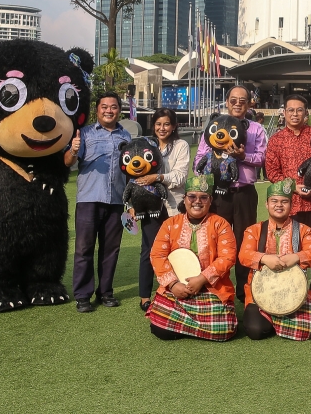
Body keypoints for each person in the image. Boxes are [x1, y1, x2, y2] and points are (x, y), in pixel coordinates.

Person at [193, 84, 267, 300]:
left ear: (249, 103)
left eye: (242, 100)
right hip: (218, 193)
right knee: (216, 241)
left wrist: (243, 157)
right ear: (227, 102)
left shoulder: (256, 129)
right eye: (233, 100)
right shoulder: (215, 126)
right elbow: (198, 158)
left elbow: (262, 158)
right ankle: (217, 288)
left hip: (245, 192)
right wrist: (214, 160)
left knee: (246, 242)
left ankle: (245, 291)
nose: (237, 104)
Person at [146, 175, 238, 341]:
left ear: (210, 200)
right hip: (177, 288)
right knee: (159, 329)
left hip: (211, 288)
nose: (197, 201)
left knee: (225, 331)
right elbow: (157, 255)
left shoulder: (221, 224)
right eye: (192, 197)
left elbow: (228, 257)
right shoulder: (170, 224)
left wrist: (202, 279)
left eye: (203, 197)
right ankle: (201, 328)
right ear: (184, 198)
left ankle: (183, 326)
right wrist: (173, 284)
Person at [65, 92, 131, 313]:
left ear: (119, 110)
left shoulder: (127, 137)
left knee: (110, 249)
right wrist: (73, 150)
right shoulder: (84, 134)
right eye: (104, 107)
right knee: (84, 248)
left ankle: (105, 292)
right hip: (88, 199)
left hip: (116, 201)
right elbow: (68, 162)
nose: (109, 110)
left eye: (113, 107)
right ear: (97, 110)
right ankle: (83, 295)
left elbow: (131, 170)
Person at [264, 93, 311, 303]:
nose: (295, 114)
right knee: (292, 250)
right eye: (290, 110)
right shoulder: (276, 139)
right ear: (284, 113)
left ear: (306, 113)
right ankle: (294, 291)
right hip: (290, 206)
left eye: (299, 110)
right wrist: (293, 187)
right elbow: (272, 172)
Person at [238, 178, 311, 341]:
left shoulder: (304, 230)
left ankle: (275, 321)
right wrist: (264, 258)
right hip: (259, 295)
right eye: (274, 201)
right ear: (266, 204)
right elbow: (244, 255)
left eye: (284, 201)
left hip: (295, 294)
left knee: (305, 333)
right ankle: (276, 321)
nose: (279, 205)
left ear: (291, 205)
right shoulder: (253, 230)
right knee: (256, 331)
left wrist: (296, 257)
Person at [131, 108, 190, 311]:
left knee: (176, 249)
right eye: (158, 124)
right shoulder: (146, 145)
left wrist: (157, 177)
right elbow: (134, 173)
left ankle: (175, 291)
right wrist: (131, 204)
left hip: (174, 204)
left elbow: (180, 177)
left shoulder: (181, 145)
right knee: (149, 249)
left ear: (173, 126)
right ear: (153, 126)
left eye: (166, 124)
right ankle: (144, 296)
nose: (162, 128)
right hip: (149, 204)